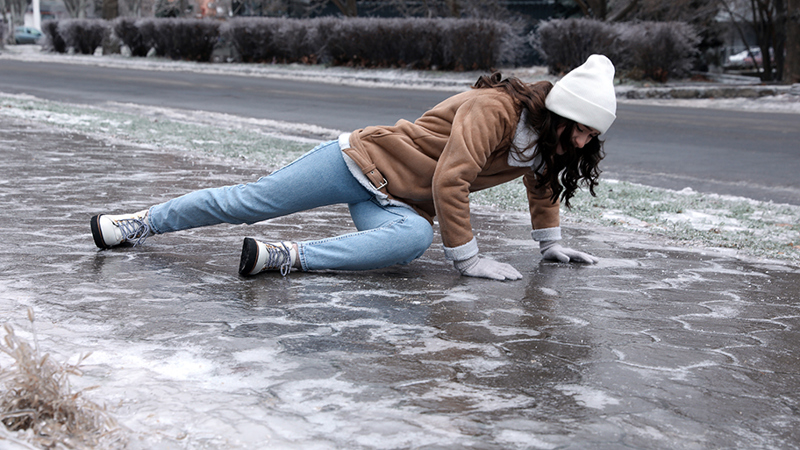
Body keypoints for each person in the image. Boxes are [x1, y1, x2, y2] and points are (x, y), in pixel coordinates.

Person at [91, 54, 617, 281]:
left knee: (410, 242)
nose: (585, 140)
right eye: (582, 128)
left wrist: (549, 244)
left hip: (400, 202)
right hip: (359, 161)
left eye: (594, 134)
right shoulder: (495, 110)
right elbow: (452, 178)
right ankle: (136, 223)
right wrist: (469, 260)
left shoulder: (548, 142)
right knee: (248, 203)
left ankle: (283, 257)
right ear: (558, 113)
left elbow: (542, 181)